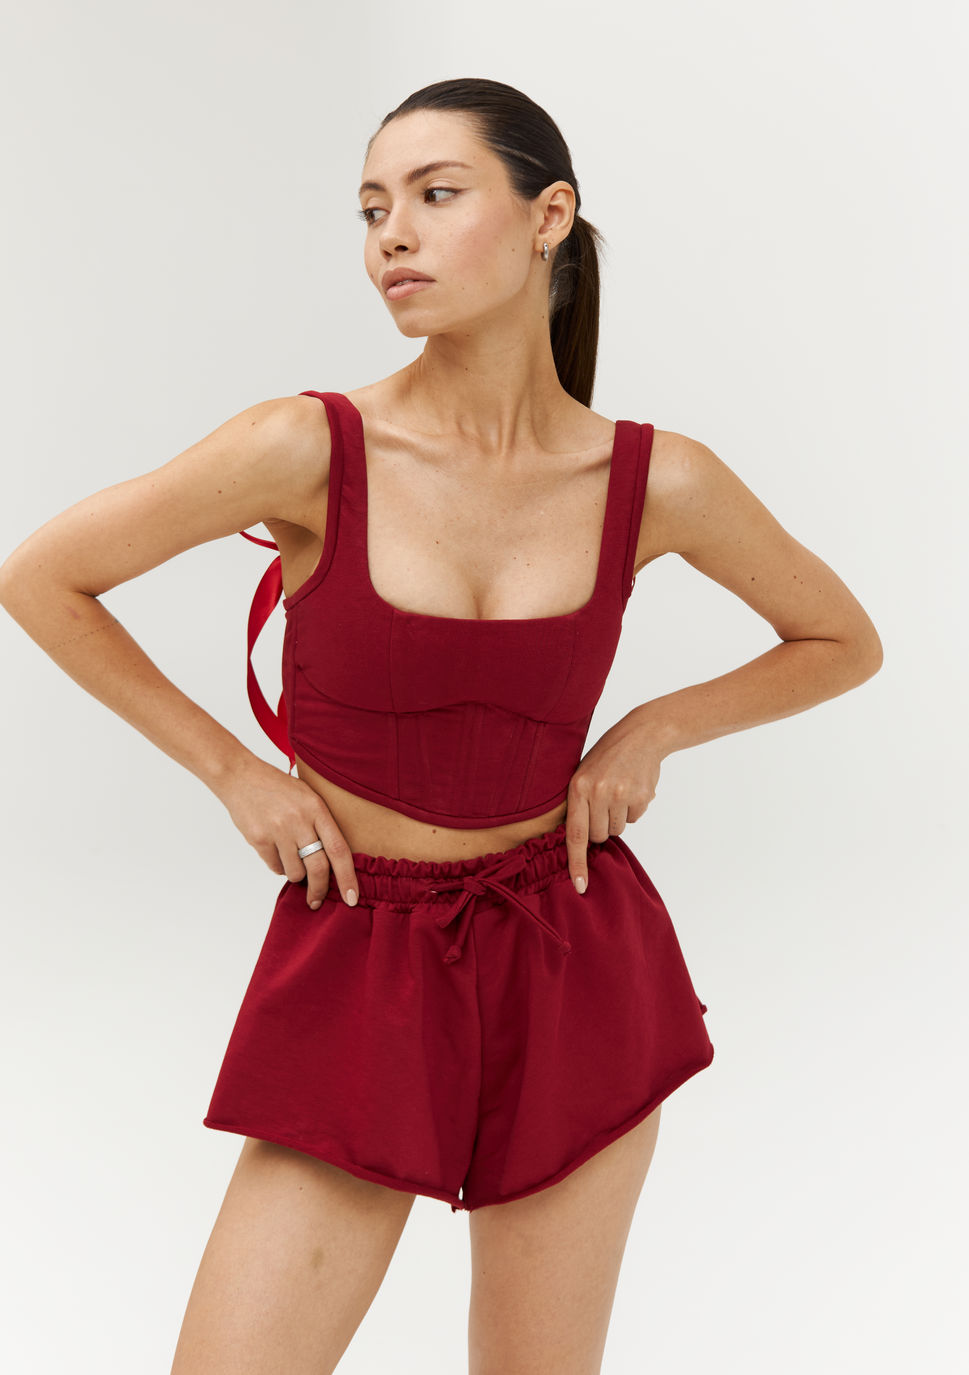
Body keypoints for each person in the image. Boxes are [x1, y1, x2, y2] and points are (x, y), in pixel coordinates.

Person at [0, 76, 882, 1375]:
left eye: (435, 194)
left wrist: (653, 730)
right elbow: (43, 577)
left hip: (572, 955)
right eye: (371, 209)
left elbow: (842, 641)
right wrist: (233, 771)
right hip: (365, 951)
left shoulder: (657, 479)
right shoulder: (306, 446)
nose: (391, 236)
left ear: (548, 217)